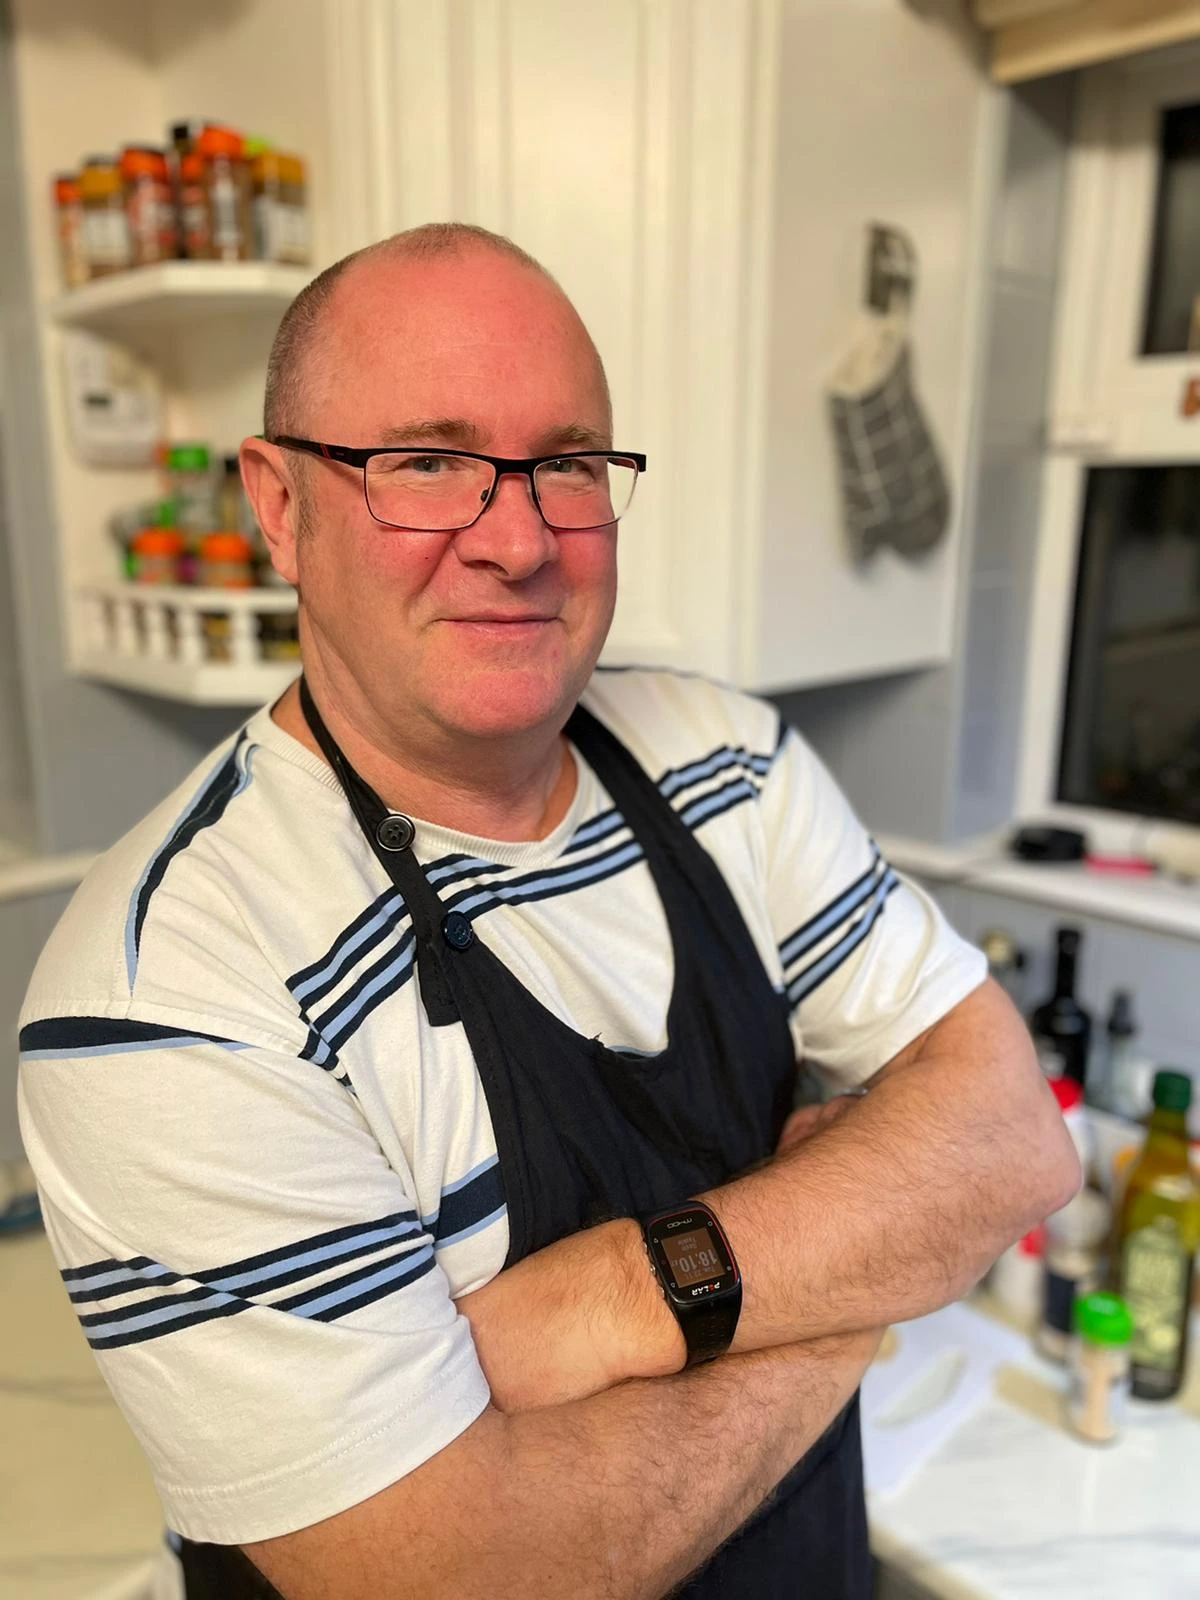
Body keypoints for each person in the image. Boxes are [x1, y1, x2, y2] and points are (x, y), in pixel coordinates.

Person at [18, 223, 1079, 1600]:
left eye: (568, 464)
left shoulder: (728, 762)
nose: (518, 541)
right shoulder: (172, 989)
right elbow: (467, 1574)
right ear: (279, 507)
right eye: (425, 462)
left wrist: (614, 1300)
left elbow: (1013, 1137)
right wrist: (855, 1275)